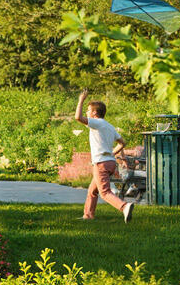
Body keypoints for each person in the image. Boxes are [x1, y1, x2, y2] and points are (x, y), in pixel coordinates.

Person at [51, 91, 131, 222]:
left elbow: (78, 117)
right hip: (110, 162)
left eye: (88, 110)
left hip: (101, 163)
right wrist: (112, 153)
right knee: (92, 191)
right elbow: (123, 143)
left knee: (104, 192)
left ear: (94, 113)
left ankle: (124, 207)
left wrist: (81, 100)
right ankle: (88, 216)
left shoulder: (97, 123)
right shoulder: (109, 126)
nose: (87, 112)